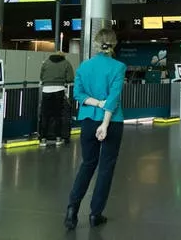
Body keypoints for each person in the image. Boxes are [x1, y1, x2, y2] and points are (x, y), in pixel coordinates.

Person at [64, 29, 127, 230]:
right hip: (112, 122)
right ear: (114, 44)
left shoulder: (84, 66)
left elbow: (78, 94)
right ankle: (95, 214)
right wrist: (105, 124)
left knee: (87, 164)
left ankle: (72, 210)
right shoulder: (118, 67)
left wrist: (97, 104)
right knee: (105, 168)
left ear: (96, 44)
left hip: (88, 121)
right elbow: (114, 98)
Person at [39, 51, 74, 146]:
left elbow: (41, 76)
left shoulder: (46, 62)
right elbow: (70, 78)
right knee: (58, 115)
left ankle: (43, 139)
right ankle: (58, 138)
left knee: (45, 115)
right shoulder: (66, 63)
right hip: (59, 90)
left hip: (46, 90)